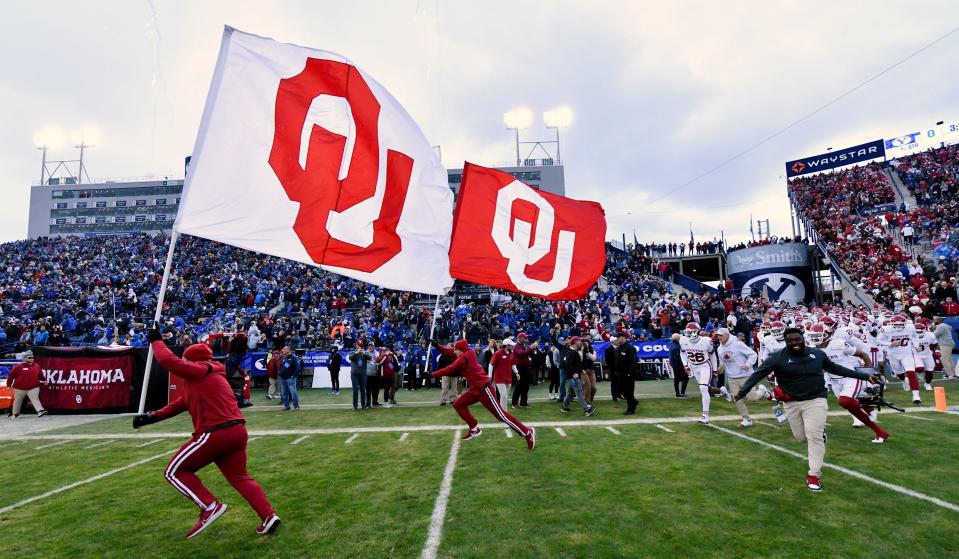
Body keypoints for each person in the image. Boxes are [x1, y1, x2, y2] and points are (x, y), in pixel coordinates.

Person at [134, 326, 279, 538]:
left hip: (215, 432)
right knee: (241, 478)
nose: (183, 363)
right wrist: (151, 417)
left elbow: (168, 362)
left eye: (185, 360)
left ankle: (210, 506)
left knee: (174, 472)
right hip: (237, 431)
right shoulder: (209, 377)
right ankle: (268, 516)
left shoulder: (200, 370)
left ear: (192, 360)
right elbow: (180, 404)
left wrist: (156, 341)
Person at [735, 327, 882, 492]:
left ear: (803, 338)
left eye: (797, 339)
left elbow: (835, 368)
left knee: (814, 437)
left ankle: (814, 475)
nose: (794, 343)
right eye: (790, 340)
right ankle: (821, 434)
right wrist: (743, 391)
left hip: (816, 399)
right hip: (791, 403)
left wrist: (864, 375)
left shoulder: (817, 354)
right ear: (786, 341)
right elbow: (758, 374)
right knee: (800, 438)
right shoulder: (777, 357)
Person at [431, 339, 535, 449]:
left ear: (461, 350)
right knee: (458, 404)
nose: (454, 351)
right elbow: (450, 352)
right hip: (476, 389)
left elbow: (448, 369)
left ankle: (527, 432)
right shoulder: (469, 352)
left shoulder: (462, 359)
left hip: (485, 390)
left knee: (501, 416)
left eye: (456, 349)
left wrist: (430, 375)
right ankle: (474, 428)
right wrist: (437, 346)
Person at [716, 328, 770, 428]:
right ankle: (746, 419)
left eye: (721, 335)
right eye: (718, 336)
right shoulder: (719, 348)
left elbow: (753, 354)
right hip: (732, 377)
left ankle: (763, 390)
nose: (719, 337)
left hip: (746, 375)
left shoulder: (737, 344)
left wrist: (747, 364)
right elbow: (722, 363)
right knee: (737, 399)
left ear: (727, 335)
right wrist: (719, 369)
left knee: (751, 397)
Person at [680, 322, 731, 424]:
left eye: (689, 332)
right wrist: (686, 365)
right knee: (706, 389)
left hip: (704, 366)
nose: (687, 333)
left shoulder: (706, 341)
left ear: (695, 332)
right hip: (694, 366)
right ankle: (721, 391)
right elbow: (682, 353)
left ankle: (705, 415)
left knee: (703, 388)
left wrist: (715, 370)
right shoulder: (683, 340)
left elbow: (712, 355)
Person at [556, 336, 597, 416]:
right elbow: (567, 364)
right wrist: (573, 373)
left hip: (574, 375)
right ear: (575, 342)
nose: (580, 342)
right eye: (579, 341)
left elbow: (576, 364)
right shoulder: (571, 352)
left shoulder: (574, 351)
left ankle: (565, 407)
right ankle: (586, 410)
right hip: (573, 377)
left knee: (570, 393)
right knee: (580, 393)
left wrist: (581, 370)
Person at [8, 351, 47, 419]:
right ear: (24, 358)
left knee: (35, 399)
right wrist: (8, 385)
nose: (32, 359)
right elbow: (11, 376)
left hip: (33, 387)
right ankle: (15, 414)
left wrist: (44, 380)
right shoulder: (18, 367)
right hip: (19, 388)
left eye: (32, 358)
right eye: (29, 358)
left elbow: (40, 374)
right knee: (18, 401)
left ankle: (40, 411)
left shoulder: (37, 366)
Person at [610, 331, 638, 415]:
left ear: (623, 337)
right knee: (622, 391)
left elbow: (633, 362)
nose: (617, 340)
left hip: (628, 374)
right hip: (620, 374)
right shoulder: (619, 348)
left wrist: (630, 373)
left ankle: (631, 409)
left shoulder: (630, 348)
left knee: (629, 391)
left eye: (618, 338)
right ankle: (634, 402)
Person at [489, 337, 517, 410]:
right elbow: (491, 364)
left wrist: (517, 373)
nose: (512, 346)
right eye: (511, 345)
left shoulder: (512, 354)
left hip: (509, 378)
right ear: (507, 345)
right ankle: (504, 412)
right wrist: (489, 376)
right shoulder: (498, 353)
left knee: (505, 396)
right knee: (503, 395)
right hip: (499, 378)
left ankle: (501, 411)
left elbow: (513, 364)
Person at [511, 333, 535, 408]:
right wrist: (530, 348)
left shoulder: (524, 345)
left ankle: (523, 403)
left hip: (526, 368)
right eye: (524, 337)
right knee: (519, 385)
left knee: (526, 386)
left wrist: (533, 348)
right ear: (520, 338)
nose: (526, 339)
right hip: (519, 368)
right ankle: (514, 403)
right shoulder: (516, 346)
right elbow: (522, 353)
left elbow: (529, 354)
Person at [348, 342, 372, 410]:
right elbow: (350, 357)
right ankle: (355, 406)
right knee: (355, 390)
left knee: (363, 390)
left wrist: (364, 353)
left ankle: (363, 405)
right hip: (354, 375)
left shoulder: (365, 353)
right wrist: (356, 352)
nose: (360, 348)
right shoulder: (353, 352)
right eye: (359, 347)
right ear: (356, 346)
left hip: (363, 375)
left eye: (361, 347)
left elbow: (370, 358)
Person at [277, 346, 301, 411]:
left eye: (284, 349)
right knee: (283, 393)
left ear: (288, 350)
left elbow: (298, 368)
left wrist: (293, 376)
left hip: (290, 379)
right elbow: (280, 367)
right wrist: (279, 373)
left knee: (293, 393)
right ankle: (287, 406)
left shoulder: (294, 358)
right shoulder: (283, 358)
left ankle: (296, 406)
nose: (283, 350)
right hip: (282, 378)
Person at [668, 333, 688, 398]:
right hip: (678, 364)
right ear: (677, 339)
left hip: (673, 364)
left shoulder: (671, 344)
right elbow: (679, 358)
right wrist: (684, 365)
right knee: (685, 378)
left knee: (676, 379)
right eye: (679, 338)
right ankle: (682, 393)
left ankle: (677, 393)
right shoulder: (677, 347)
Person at [580, 340, 598, 407]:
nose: (586, 345)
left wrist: (588, 352)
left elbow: (594, 359)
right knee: (587, 387)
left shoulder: (592, 350)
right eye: (585, 344)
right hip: (584, 371)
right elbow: (580, 360)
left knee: (594, 388)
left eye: (587, 344)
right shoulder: (580, 351)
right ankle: (588, 403)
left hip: (591, 371)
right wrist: (582, 351)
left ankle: (590, 399)